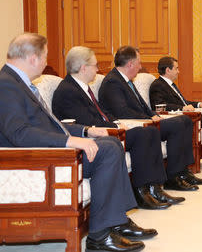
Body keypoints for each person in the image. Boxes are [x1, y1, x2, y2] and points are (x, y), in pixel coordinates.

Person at [0, 33, 154, 252]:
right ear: (33, 58)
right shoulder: (6, 85)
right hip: (43, 160)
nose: (46, 63)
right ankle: (100, 235)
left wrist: (86, 130)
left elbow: (50, 124)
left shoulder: (19, 82)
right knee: (109, 151)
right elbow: (20, 134)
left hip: (52, 154)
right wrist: (70, 141)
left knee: (110, 143)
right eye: (44, 57)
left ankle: (116, 221)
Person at [52, 46, 186, 209]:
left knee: (150, 131)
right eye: (95, 65)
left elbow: (102, 114)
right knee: (143, 135)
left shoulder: (81, 86)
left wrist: (115, 122)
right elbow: (88, 122)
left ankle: (154, 187)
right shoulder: (68, 90)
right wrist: (115, 125)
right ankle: (141, 192)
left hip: (106, 129)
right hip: (95, 136)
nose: (98, 69)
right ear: (83, 68)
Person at [99, 46, 202, 191]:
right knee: (177, 124)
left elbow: (142, 105)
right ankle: (173, 177)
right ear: (130, 64)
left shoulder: (126, 80)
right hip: (134, 125)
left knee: (185, 121)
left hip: (145, 121)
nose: (140, 66)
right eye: (139, 62)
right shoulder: (112, 82)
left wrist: (154, 115)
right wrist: (150, 119)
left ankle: (183, 171)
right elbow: (123, 112)